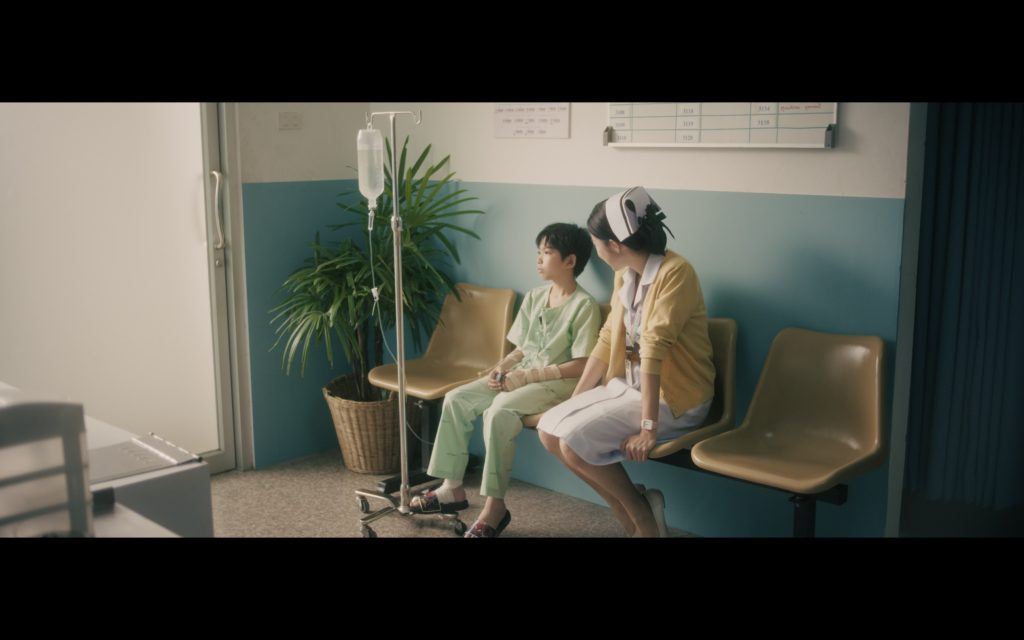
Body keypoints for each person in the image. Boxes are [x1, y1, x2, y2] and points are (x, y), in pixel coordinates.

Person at [537, 187, 715, 537]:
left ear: (615, 244)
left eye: (597, 244)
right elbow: (608, 338)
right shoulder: (625, 273)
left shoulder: (677, 272)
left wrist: (648, 428)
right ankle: (635, 509)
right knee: (548, 431)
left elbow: (653, 348)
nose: (597, 251)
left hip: (674, 399)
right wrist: (577, 398)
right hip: (629, 388)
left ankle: (642, 523)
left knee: (572, 443)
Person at [410, 222, 602, 538]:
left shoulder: (584, 305)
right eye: (538, 251)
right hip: (520, 375)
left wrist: (529, 376)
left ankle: (494, 507)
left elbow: (582, 365)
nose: (538, 259)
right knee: (457, 398)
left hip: (557, 384)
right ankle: (451, 488)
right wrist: (501, 368)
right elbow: (523, 347)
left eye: (547, 252)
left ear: (570, 261)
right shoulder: (536, 297)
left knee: (498, 411)